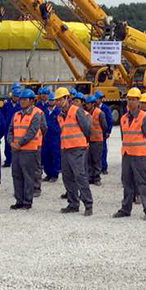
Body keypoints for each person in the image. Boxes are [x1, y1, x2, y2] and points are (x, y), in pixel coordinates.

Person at [114, 88, 146, 220]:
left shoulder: (144, 118)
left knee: (143, 182)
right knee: (127, 182)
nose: (130, 102)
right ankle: (126, 209)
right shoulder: (123, 118)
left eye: (133, 99)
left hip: (140, 155)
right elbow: (124, 136)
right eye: (129, 99)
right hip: (127, 154)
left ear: (139, 101)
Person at [55, 87, 93, 216]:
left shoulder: (77, 111)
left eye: (59, 99)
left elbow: (87, 129)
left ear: (67, 98)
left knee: (80, 176)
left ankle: (88, 205)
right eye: (56, 100)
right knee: (67, 177)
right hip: (65, 148)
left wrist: (84, 143)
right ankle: (73, 204)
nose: (57, 102)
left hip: (77, 149)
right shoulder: (60, 115)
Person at [9, 88, 43, 210]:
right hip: (16, 150)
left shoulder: (36, 114)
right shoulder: (16, 115)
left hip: (29, 150)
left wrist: (19, 143)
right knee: (16, 175)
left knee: (28, 176)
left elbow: (32, 131)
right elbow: (10, 131)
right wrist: (11, 143)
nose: (22, 101)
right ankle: (19, 200)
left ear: (32, 101)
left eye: (25, 99)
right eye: (21, 99)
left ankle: (27, 201)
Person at [84, 94, 107, 185]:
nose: (87, 105)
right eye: (86, 103)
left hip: (97, 140)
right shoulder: (85, 112)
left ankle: (97, 178)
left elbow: (104, 126)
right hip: (88, 140)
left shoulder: (99, 113)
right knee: (88, 159)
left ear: (93, 104)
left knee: (96, 159)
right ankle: (90, 177)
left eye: (88, 103)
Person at [97, 90, 113, 175]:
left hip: (103, 133)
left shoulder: (106, 108)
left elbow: (109, 119)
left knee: (103, 150)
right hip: (95, 133)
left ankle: (103, 167)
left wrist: (108, 131)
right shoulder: (93, 108)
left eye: (99, 98)